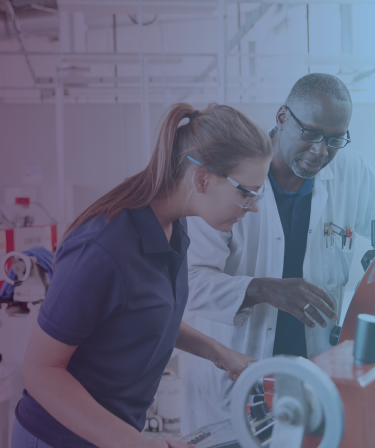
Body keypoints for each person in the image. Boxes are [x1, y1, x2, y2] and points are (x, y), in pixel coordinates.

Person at [12, 103, 273, 448]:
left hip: (108, 435)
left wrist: (218, 352)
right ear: (202, 179)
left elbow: (144, 314)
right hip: (56, 438)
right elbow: (40, 372)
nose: (254, 206)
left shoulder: (173, 231)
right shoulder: (103, 249)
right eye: (247, 192)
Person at [181, 73, 375, 435]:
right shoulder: (231, 176)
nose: (321, 151)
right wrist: (263, 289)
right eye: (312, 134)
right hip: (234, 376)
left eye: (335, 140)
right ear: (283, 116)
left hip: (312, 377)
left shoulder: (351, 172)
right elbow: (189, 281)